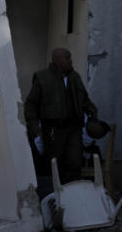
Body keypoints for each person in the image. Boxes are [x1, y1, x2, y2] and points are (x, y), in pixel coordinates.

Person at [24, 47, 98, 185]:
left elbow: (85, 101)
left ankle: (72, 197)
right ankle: (57, 199)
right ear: (57, 60)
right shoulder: (43, 78)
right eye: (67, 58)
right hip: (53, 129)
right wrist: (35, 127)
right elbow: (31, 105)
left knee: (74, 163)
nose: (71, 61)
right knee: (54, 164)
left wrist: (92, 115)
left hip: (74, 128)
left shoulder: (74, 77)